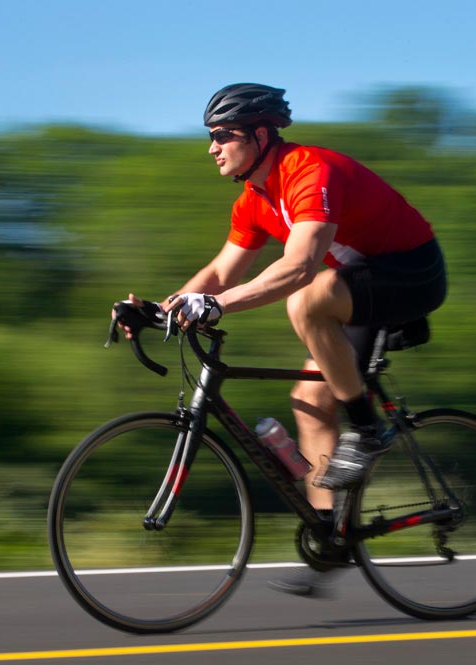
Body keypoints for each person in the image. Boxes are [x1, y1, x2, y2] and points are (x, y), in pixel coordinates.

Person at [119, 83, 447, 596]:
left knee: (306, 299)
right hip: (354, 282)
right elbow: (221, 272)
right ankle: (333, 533)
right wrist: (161, 310)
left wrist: (218, 306)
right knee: (311, 399)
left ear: (261, 135)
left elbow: (299, 267)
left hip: (410, 271)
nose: (212, 147)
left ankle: (365, 430)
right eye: (211, 137)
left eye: (224, 136)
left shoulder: (310, 170)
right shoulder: (253, 200)